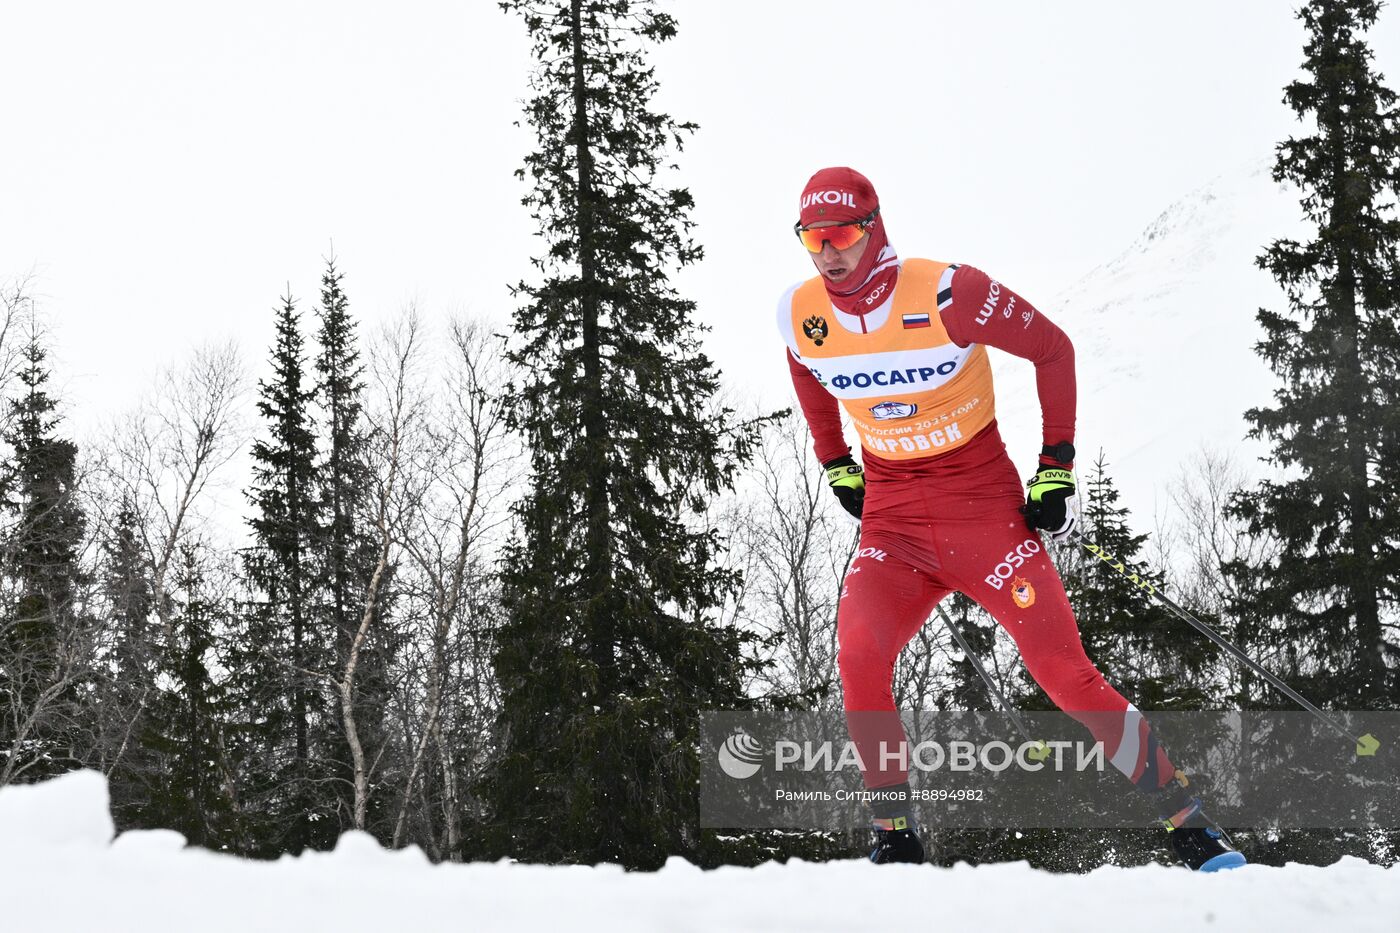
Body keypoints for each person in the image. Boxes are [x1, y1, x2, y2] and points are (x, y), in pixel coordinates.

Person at [777, 166, 1245, 871]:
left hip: (984, 516)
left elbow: (1053, 348)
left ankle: (1187, 821)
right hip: (895, 527)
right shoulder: (799, 310)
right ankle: (895, 837)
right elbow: (807, 370)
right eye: (812, 237)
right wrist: (836, 461)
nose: (828, 251)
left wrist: (1055, 465)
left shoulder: (945, 291)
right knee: (859, 656)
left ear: (874, 228)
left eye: (841, 233)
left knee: (1065, 674)